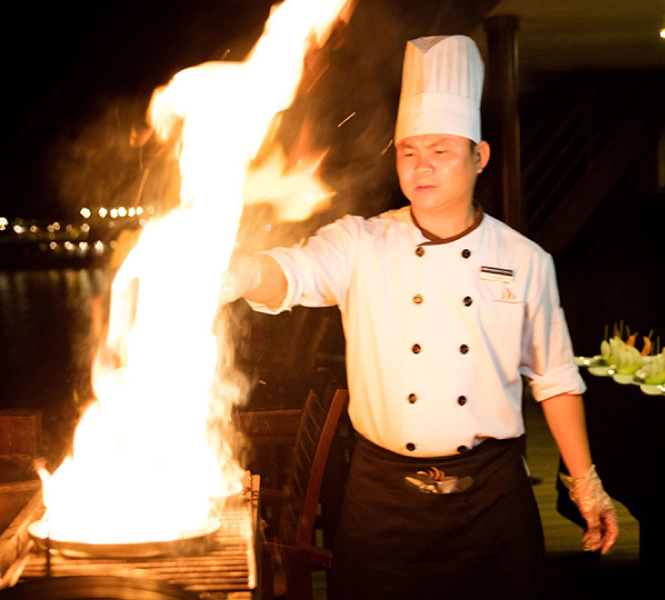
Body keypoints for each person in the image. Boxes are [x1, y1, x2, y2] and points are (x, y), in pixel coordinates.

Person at [221, 35, 617, 599]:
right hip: (381, 498)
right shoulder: (363, 242)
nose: (422, 167)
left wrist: (587, 484)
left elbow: (554, 379)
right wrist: (241, 274)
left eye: (440, 150)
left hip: (493, 497)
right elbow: (295, 272)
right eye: (409, 152)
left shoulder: (525, 260)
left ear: (479, 156)